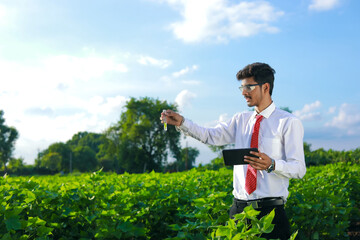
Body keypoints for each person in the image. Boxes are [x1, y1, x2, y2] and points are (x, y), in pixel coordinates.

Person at [160, 62, 306, 240]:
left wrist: (272, 164)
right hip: (239, 211)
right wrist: (182, 122)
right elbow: (210, 136)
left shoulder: (288, 122)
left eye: (249, 87)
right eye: (242, 87)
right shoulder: (240, 120)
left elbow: (299, 169)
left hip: (271, 214)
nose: (244, 92)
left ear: (266, 87)